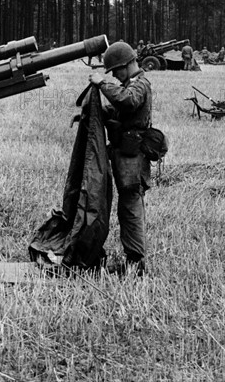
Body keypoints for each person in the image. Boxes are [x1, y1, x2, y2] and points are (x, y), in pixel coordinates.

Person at [88, 41, 152, 276]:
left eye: (115, 70)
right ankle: (133, 259)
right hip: (125, 156)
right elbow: (119, 111)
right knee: (127, 209)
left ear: (127, 64)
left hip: (132, 159)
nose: (114, 75)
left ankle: (136, 263)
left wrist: (103, 83)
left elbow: (128, 101)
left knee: (130, 209)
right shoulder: (129, 84)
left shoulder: (140, 84)